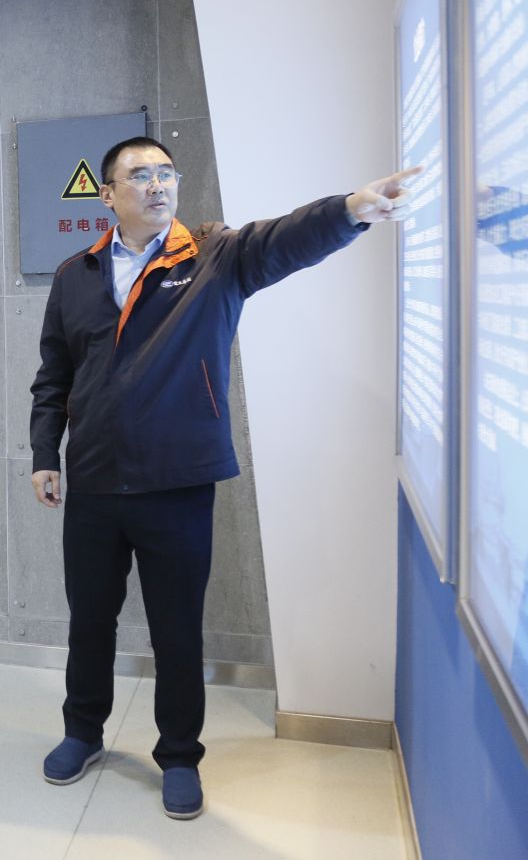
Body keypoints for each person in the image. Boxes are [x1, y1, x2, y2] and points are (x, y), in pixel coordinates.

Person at [28, 136, 417, 820]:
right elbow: (53, 377)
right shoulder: (74, 275)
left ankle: (179, 755)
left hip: (178, 481)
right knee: (89, 620)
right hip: (93, 481)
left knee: (177, 630)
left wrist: (351, 210)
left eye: (165, 173)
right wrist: (44, 454)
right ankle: (83, 731)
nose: (157, 185)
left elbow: (282, 241)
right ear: (106, 193)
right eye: (139, 175)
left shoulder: (213, 256)